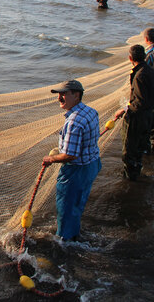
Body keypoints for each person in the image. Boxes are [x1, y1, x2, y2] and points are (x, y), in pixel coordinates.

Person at [42, 80, 101, 241]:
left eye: (64, 94)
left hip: (76, 172)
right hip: (93, 164)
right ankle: (74, 234)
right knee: (77, 204)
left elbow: (71, 155)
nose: (59, 98)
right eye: (58, 94)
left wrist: (51, 158)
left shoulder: (74, 121)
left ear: (76, 95)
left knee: (66, 208)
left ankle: (65, 243)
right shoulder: (90, 111)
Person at [115, 45, 154, 181]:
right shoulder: (151, 71)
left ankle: (131, 179)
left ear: (130, 58)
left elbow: (139, 102)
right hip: (148, 116)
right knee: (140, 147)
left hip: (137, 118)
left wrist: (125, 109)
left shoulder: (139, 75)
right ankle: (137, 172)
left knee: (129, 151)